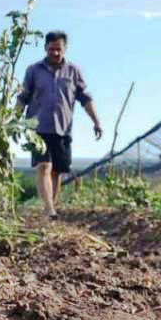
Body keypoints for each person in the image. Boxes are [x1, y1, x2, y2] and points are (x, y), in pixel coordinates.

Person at [16, 31, 102, 219]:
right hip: (37, 128)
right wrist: (13, 119)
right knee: (44, 166)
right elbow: (23, 97)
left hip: (62, 128)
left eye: (58, 49)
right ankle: (49, 209)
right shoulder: (33, 71)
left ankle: (50, 209)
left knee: (57, 171)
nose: (55, 53)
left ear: (65, 49)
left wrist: (96, 121)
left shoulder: (73, 71)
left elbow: (85, 98)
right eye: (51, 49)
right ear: (45, 48)